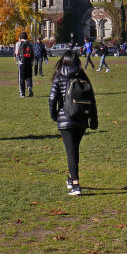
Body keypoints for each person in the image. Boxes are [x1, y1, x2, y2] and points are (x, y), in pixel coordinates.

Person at [48, 49, 98, 196]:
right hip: (81, 119)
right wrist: (93, 120)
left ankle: (75, 184)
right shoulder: (82, 75)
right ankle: (71, 177)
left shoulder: (59, 76)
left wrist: (54, 115)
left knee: (71, 152)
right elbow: (92, 99)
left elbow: (52, 99)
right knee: (74, 150)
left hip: (65, 119)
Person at [14, 31, 35, 97]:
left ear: (20, 37)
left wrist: (16, 58)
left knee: (21, 78)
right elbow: (33, 53)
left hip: (22, 63)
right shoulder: (30, 43)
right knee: (29, 77)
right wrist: (32, 61)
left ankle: (22, 93)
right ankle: (29, 87)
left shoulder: (18, 43)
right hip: (29, 62)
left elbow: (17, 53)